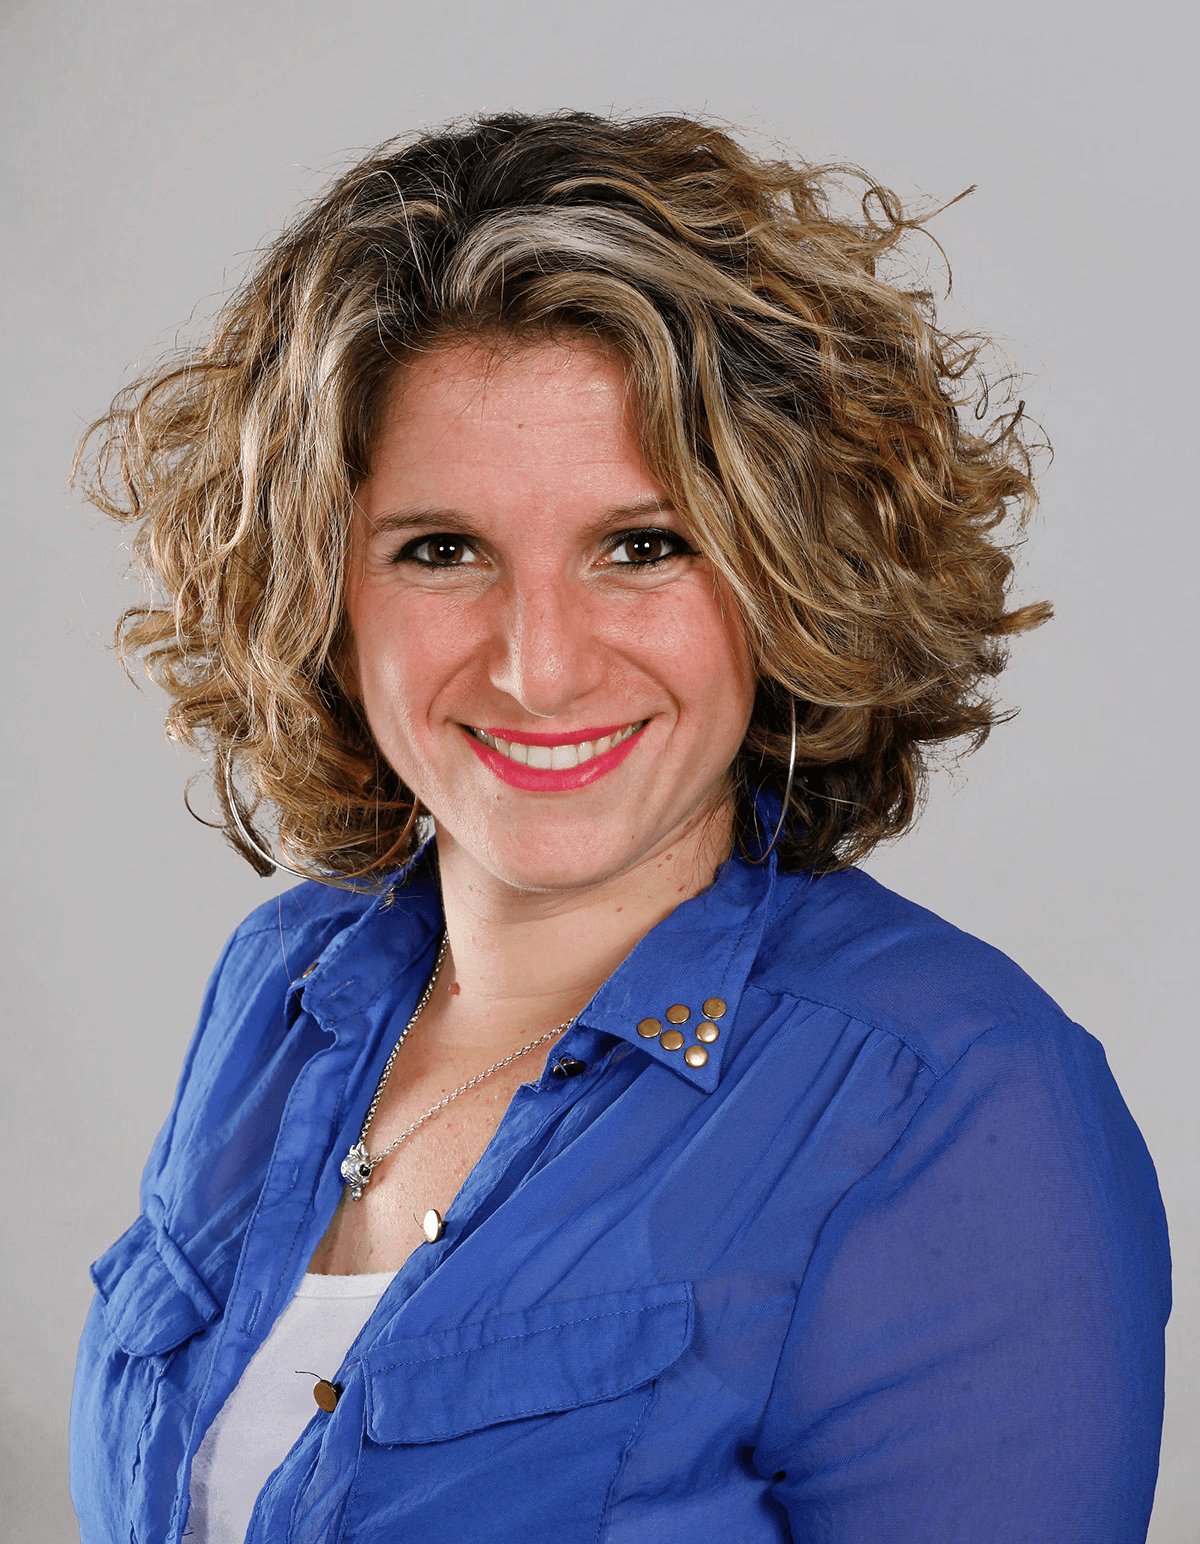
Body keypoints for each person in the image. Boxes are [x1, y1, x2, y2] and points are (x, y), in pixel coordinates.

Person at [69, 111, 1170, 1544]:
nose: (539, 666)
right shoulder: (279, 991)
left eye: (641, 548)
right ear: (321, 595)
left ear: (787, 577)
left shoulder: (952, 1104)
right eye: (441, 550)